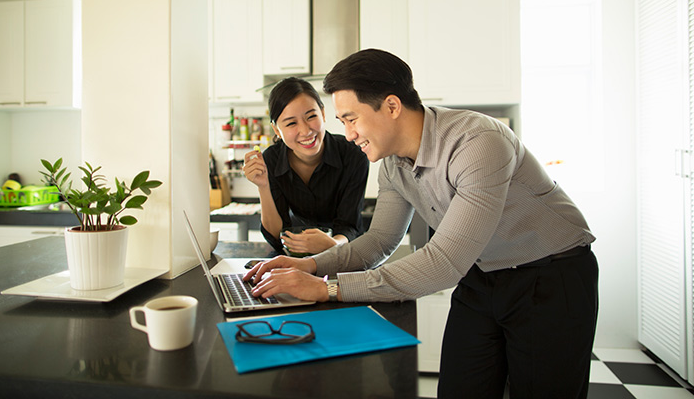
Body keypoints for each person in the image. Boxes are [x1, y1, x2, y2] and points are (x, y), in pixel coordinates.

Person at [243, 49, 598, 399]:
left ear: (392, 107)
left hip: (552, 275)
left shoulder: (477, 143)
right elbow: (380, 241)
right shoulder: (393, 164)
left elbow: (445, 262)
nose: (348, 134)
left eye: (351, 118)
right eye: (343, 122)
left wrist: (328, 289)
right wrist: (309, 265)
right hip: (481, 275)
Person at [242, 77, 369, 256]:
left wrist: (331, 243)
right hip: (296, 255)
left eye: (311, 117)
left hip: (343, 254)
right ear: (277, 130)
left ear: (323, 114)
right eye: (291, 123)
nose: (306, 131)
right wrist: (263, 186)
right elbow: (275, 237)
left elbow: (350, 226)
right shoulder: (271, 160)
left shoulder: (353, 154)